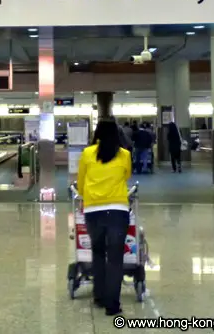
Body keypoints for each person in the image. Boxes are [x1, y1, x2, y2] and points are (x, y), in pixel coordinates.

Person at [77, 119, 132, 316]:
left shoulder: (87, 153)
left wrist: (92, 195)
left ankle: (99, 296)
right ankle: (112, 305)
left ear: (97, 133)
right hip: (117, 210)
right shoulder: (124, 154)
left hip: (93, 211)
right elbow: (126, 176)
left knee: (98, 254)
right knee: (115, 258)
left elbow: (81, 182)